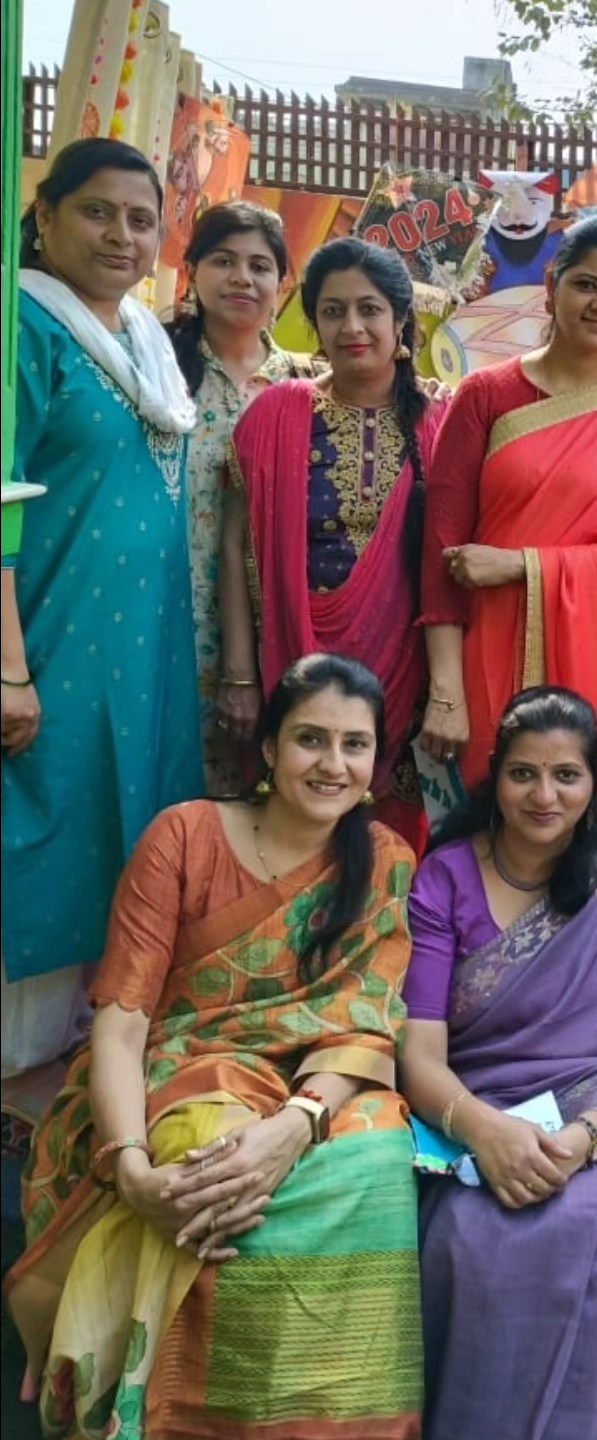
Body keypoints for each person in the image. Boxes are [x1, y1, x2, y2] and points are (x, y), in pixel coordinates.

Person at [4, 654, 424, 1439]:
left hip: (318, 1085)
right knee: (210, 1158)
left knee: (375, 1161)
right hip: (174, 1066)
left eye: (355, 745)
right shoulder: (185, 835)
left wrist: (296, 1124)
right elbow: (123, 1022)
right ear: (268, 748)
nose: (332, 764)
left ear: (375, 762)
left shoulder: (384, 863)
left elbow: (363, 1024)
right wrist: (130, 1167)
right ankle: (168, 1414)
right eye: (310, 738)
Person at [400, 687, 597, 1440]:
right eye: (523, 773)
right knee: (466, 1235)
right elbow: (419, 1052)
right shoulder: (444, 877)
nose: (544, 796)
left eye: (566, 775)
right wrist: (485, 1133)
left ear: (594, 784)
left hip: (582, 1127)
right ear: (495, 777)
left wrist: (579, 1142)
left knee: (592, 1218)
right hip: (464, 1117)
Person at [1, 138, 201, 1075]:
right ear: (44, 218)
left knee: (131, 828)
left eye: (140, 219)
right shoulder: (23, 324)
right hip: (48, 638)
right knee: (43, 828)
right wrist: (9, 667)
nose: (122, 235)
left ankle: (90, 1064)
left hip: (142, 651)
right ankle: (20, 1071)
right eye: (96, 211)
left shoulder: (146, 342)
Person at [419, 216, 597, 846]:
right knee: (487, 835)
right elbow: (440, 551)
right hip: (486, 656)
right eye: (587, 285)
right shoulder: (486, 395)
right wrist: (446, 692)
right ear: (551, 285)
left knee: (576, 836)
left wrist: (521, 564)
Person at [221, 237, 447, 848]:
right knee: (286, 825)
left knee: (384, 839)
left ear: (401, 320)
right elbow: (236, 549)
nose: (351, 327)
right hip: (290, 661)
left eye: (369, 309)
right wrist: (238, 677)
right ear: (314, 322)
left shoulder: (441, 424)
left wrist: (446, 691)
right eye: (332, 310)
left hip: (406, 677)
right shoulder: (275, 413)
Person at [166, 200, 319, 793]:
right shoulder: (156, 369)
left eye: (259, 266)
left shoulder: (305, 387)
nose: (241, 279)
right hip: (165, 609)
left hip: (266, 619)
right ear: (192, 271)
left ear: (283, 284)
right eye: (223, 261)